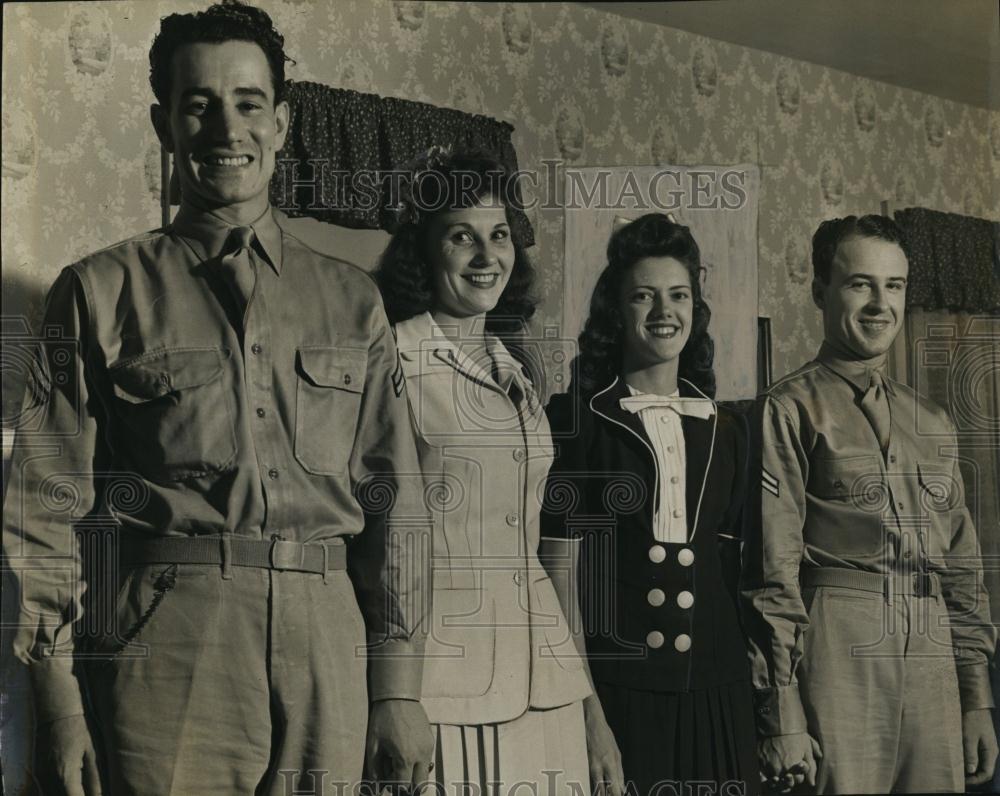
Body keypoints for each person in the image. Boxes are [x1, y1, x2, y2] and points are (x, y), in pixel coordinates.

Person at [2, 4, 433, 794]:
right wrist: (58, 699)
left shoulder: (353, 300)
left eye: (247, 102)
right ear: (163, 122)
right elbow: (43, 504)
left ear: (281, 122)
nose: (224, 126)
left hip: (328, 639)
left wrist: (396, 685)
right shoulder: (99, 291)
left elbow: (394, 501)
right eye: (198, 103)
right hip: (168, 642)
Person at [741, 214, 998, 794]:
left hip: (934, 654)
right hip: (838, 648)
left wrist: (976, 696)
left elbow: (962, 568)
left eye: (894, 286)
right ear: (819, 292)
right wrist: (781, 710)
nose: (880, 303)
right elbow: (769, 571)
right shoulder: (786, 409)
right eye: (860, 283)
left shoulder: (932, 421)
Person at [375, 147, 595, 795]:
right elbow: (380, 541)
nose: (486, 256)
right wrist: (395, 696)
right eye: (461, 237)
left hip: (543, 678)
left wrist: (587, 704)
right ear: (424, 251)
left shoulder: (517, 367)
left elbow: (529, 549)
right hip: (445, 682)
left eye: (498, 236)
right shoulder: (395, 360)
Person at [541, 213, 759, 796]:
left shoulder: (728, 429)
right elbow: (559, 583)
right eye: (644, 296)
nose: (665, 312)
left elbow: (740, 571)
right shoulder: (577, 423)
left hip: (719, 693)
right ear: (618, 309)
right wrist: (588, 717)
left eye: (678, 295)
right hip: (619, 698)